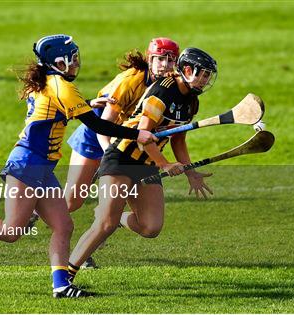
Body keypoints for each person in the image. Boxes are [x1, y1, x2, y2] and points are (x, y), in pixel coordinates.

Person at [0, 34, 156, 298]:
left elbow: (55, 109)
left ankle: (61, 286)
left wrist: (87, 104)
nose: (76, 64)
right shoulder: (61, 87)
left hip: (43, 168)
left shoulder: (50, 82)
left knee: (64, 225)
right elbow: (97, 125)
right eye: (71, 60)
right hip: (27, 164)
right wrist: (137, 134)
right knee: (11, 231)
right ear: (58, 63)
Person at [64, 48, 217, 287]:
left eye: (208, 75)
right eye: (203, 74)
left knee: (150, 227)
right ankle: (64, 279)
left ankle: (117, 216)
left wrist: (190, 172)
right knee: (105, 225)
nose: (206, 80)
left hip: (146, 165)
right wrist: (164, 164)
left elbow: (178, 139)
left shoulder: (191, 101)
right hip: (122, 157)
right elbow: (142, 136)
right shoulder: (163, 91)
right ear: (187, 70)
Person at [27, 38, 180, 268]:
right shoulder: (131, 81)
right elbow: (103, 123)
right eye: (160, 59)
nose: (165, 65)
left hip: (127, 144)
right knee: (72, 200)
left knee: (112, 212)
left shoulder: (171, 86)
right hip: (97, 137)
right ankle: (29, 211)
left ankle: (82, 252)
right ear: (150, 59)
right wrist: (111, 157)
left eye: (171, 60)